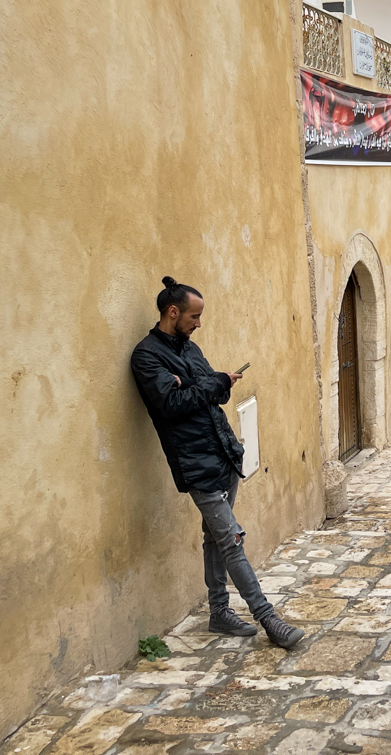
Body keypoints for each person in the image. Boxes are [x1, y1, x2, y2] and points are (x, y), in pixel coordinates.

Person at [130, 277, 304, 650]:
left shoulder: (190, 349)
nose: (198, 323)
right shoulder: (146, 356)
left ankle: (219, 612)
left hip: (224, 453)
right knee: (231, 539)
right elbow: (172, 405)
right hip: (195, 464)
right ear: (172, 312)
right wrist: (207, 385)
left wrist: (213, 382)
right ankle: (268, 618)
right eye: (194, 316)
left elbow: (210, 391)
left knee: (214, 537)